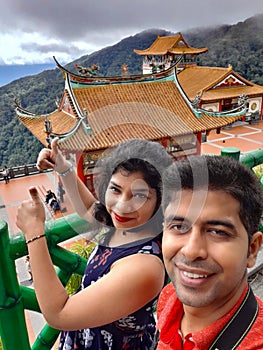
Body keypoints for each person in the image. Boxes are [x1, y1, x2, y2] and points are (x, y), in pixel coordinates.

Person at [16, 137, 173, 350]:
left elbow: (59, 314)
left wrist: (34, 232)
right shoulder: (127, 227)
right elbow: (91, 209)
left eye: (139, 196)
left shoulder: (145, 266)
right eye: (116, 190)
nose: (122, 206)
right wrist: (63, 167)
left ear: (160, 201)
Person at [156, 155, 263, 349]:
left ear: (252, 249)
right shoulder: (170, 298)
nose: (191, 251)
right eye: (179, 227)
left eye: (218, 232)